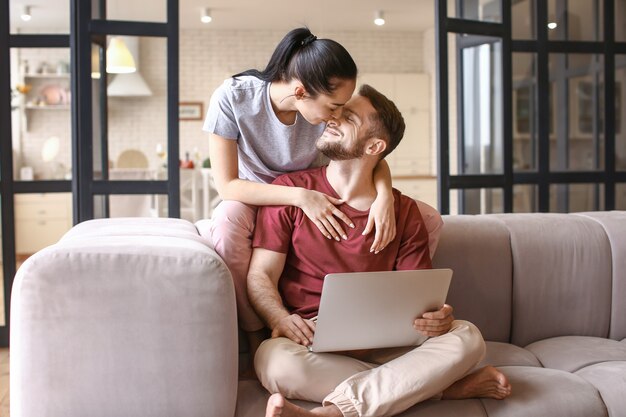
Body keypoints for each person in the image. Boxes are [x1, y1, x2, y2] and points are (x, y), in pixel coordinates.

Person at [247, 84, 512, 417]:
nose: (333, 119)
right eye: (337, 110)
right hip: (310, 340)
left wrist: (436, 318)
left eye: (348, 117)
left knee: (468, 337)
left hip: (391, 346)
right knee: (274, 362)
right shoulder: (290, 192)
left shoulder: (403, 212)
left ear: (374, 145)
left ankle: (335, 412)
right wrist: (280, 317)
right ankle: (438, 388)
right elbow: (261, 274)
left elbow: (417, 300)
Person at [200, 28, 443, 352]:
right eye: (334, 106)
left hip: (314, 186)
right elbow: (227, 185)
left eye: (343, 108)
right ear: (300, 92)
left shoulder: (322, 109)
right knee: (229, 219)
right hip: (256, 192)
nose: (337, 115)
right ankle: (255, 336)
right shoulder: (233, 98)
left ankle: (399, 319)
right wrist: (301, 197)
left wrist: (384, 196)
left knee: (426, 216)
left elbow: (367, 153)